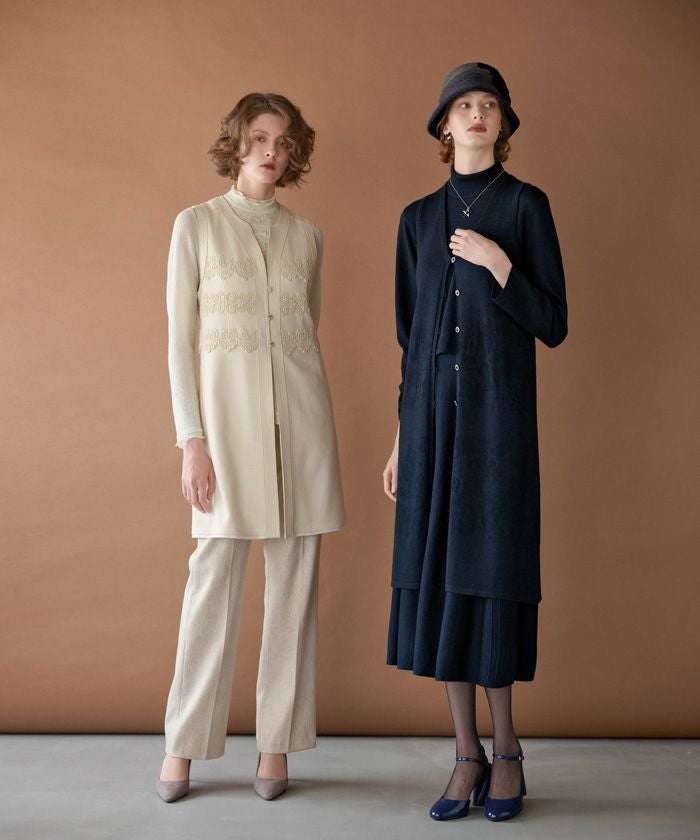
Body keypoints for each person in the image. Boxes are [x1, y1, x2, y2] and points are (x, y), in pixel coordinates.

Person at [382, 62, 567, 822]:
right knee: (439, 580)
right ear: (444, 125)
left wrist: (499, 265)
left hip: (498, 427)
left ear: (504, 123)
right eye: (464, 105)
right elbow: (411, 340)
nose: (478, 114)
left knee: (490, 573)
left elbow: (553, 322)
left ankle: (508, 749)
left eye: (489, 104)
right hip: (429, 427)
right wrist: (401, 438)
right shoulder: (416, 220)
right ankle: (466, 753)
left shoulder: (526, 205)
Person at [156, 92, 345, 804]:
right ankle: (183, 744)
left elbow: (304, 334)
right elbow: (179, 343)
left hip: (302, 431)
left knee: (294, 589)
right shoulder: (196, 225)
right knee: (213, 583)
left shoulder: (308, 237)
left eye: (284, 141)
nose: (272, 150)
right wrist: (192, 441)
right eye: (259, 137)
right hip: (225, 437)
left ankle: (275, 747)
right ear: (235, 144)